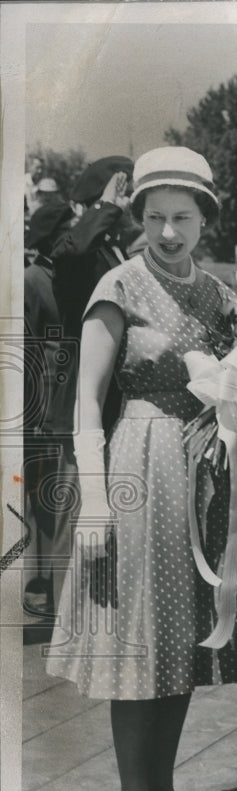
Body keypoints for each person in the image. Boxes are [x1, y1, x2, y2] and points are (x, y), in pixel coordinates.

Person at [47, 146, 237, 791]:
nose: (167, 232)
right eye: (153, 217)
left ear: (205, 219)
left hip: (202, 466)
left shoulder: (219, 293)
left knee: (182, 639)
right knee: (138, 642)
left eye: (181, 217)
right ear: (137, 217)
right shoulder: (118, 284)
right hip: (138, 463)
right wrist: (93, 502)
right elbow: (87, 398)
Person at [51, 155, 138, 434]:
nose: (128, 204)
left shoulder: (116, 251)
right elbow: (74, 251)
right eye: (124, 195)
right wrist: (107, 203)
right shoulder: (81, 252)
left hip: (114, 398)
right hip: (81, 398)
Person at [23, 199, 76, 616]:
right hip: (45, 412)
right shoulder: (33, 280)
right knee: (45, 503)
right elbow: (28, 353)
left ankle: (54, 588)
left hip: (68, 404)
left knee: (60, 503)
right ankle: (41, 588)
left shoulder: (64, 276)